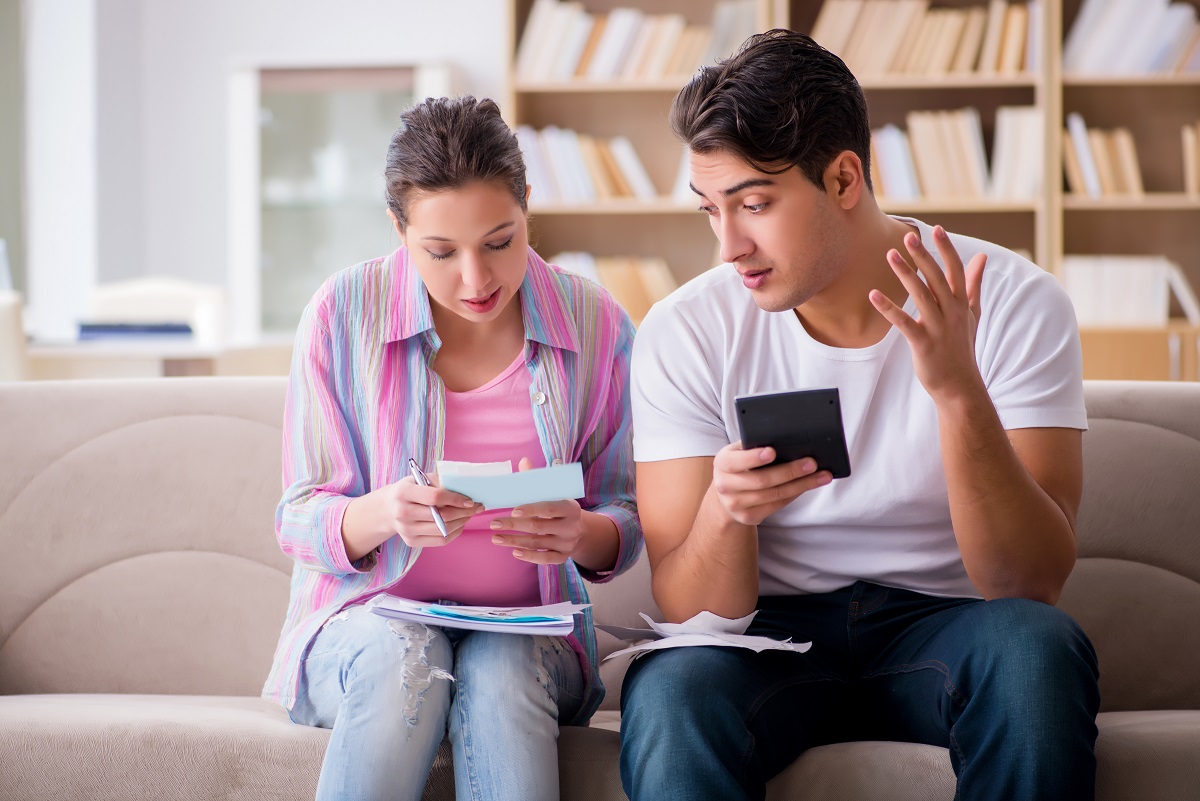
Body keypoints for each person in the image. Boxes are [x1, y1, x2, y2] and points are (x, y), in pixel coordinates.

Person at [618, 30, 1099, 801]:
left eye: (753, 203)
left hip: (948, 622)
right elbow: (689, 607)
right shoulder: (686, 330)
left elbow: (1030, 581)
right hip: (768, 635)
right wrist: (725, 512)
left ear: (844, 178)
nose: (729, 246)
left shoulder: (1013, 303)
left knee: (1037, 649)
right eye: (712, 209)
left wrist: (957, 393)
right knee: (673, 689)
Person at [262, 95, 641, 801]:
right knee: (406, 651)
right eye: (441, 252)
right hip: (365, 628)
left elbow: (626, 511)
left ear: (528, 205)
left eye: (501, 241)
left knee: (500, 665)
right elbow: (297, 515)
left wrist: (582, 530)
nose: (477, 279)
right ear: (399, 230)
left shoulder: (598, 323)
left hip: (532, 634)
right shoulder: (342, 314)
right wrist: (381, 513)